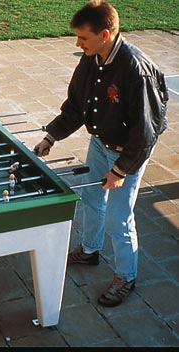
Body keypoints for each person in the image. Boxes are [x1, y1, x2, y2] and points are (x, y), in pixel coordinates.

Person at [34, 0, 168, 307]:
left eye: (83, 37)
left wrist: (121, 170)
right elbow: (76, 106)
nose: (78, 43)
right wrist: (51, 135)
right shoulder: (91, 59)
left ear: (104, 34)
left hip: (129, 153)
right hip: (100, 143)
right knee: (92, 200)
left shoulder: (136, 70)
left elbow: (145, 132)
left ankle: (126, 276)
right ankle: (91, 251)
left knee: (119, 219)